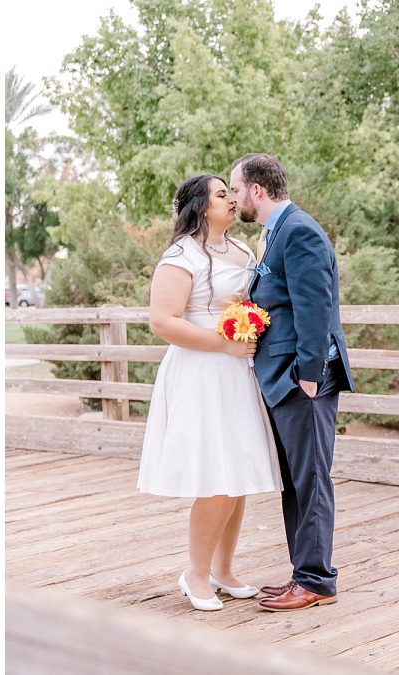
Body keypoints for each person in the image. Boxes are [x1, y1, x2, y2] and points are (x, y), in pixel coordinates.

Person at [138, 173, 282, 612]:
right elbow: (163, 321)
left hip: (236, 373)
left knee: (236, 476)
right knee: (216, 476)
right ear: (201, 205)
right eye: (223, 194)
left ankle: (225, 570)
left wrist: (245, 317)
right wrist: (223, 343)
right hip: (201, 371)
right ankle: (195, 574)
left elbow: (247, 300)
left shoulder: (241, 250)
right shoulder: (182, 255)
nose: (232, 200)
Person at [229, 153, 354, 612]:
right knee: (295, 483)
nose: (236, 197)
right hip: (283, 378)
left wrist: (308, 375)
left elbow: (315, 307)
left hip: (302, 380)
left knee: (311, 480)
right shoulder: (276, 231)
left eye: (237, 189)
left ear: (257, 190)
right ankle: (303, 575)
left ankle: (317, 580)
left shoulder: (299, 231)